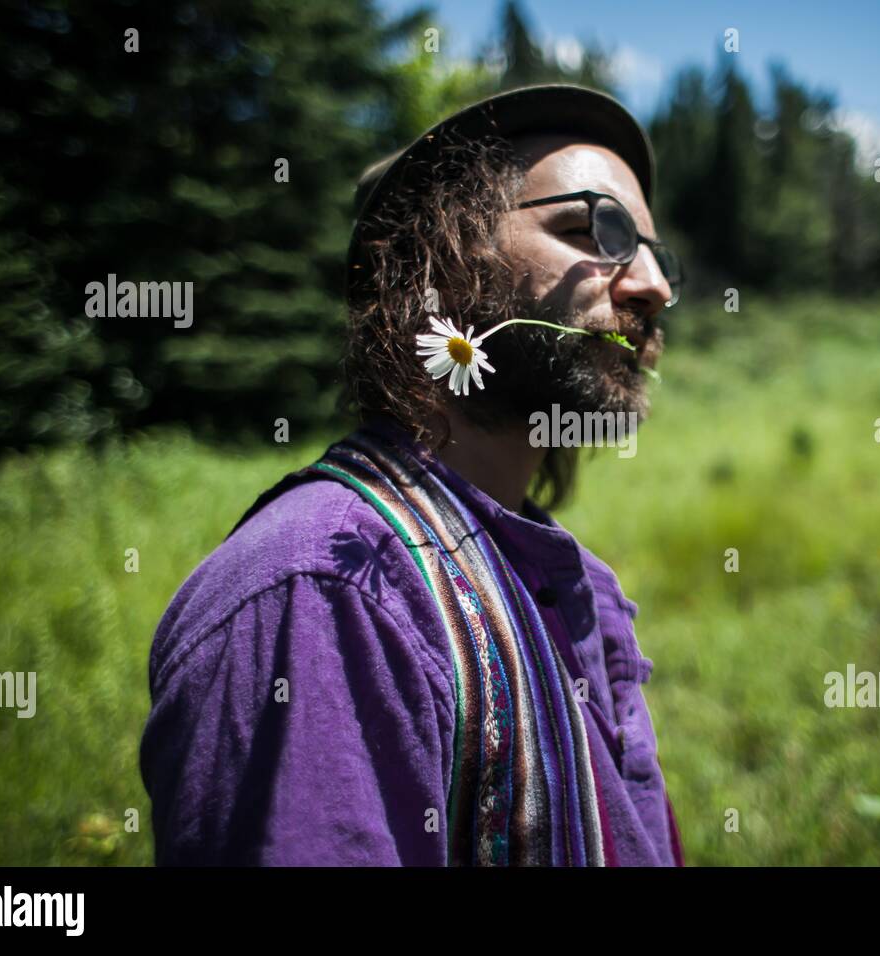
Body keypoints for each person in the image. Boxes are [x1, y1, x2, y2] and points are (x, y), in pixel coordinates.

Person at [140, 84, 685, 866]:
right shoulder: (321, 595)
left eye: (657, 257)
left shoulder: (563, 579)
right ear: (437, 262)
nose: (653, 287)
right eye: (590, 228)